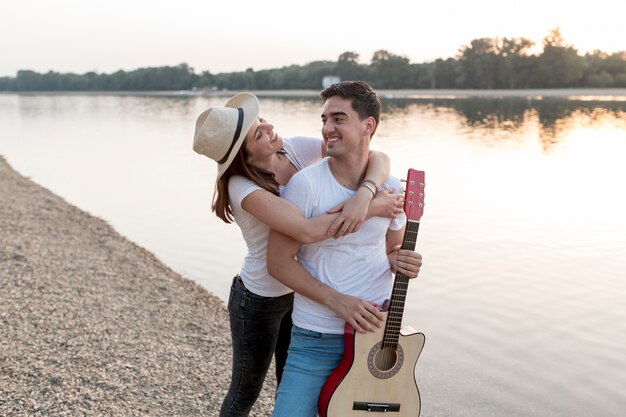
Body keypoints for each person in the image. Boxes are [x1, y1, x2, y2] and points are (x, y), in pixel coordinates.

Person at [192, 92, 404, 417]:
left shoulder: (292, 148)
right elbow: (304, 231)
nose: (269, 126)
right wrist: (373, 208)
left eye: (261, 120)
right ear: (243, 156)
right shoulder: (242, 187)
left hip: (300, 289)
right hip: (260, 298)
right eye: (258, 133)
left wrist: (365, 193)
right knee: (245, 390)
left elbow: (372, 155)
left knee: (288, 383)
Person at [266, 81, 423, 417]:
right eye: (324, 120)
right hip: (316, 341)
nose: (327, 129)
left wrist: (403, 260)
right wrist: (338, 301)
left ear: (369, 125)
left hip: (376, 340)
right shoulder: (305, 185)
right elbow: (278, 263)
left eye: (338, 119)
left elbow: (392, 249)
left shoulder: (391, 187)